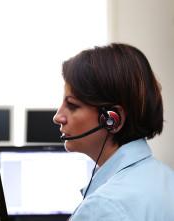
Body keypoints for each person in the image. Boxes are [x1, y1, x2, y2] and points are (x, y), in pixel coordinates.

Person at [53, 43, 174, 220]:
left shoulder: (104, 206)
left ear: (112, 118)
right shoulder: (166, 177)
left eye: (72, 105)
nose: (58, 117)